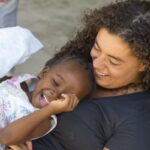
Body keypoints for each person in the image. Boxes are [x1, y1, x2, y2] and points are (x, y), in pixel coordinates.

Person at [31, 0, 150, 150]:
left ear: (144, 64)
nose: (96, 64)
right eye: (97, 48)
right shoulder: (76, 64)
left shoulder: (140, 119)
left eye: (113, 61)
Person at [0, 53, 95, 150]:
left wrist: (51, 109)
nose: (56, 94)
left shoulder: (45, 121)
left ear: (69, 106)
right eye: (55, 83)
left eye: (64, 97)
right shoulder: (21, 81)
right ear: (44, 73)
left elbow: (5, 137)